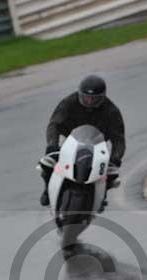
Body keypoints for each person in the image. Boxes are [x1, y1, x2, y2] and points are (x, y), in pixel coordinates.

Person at [39, 74, 126, 209]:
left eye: (94, 99)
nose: (90, 101)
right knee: (48, 162)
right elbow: (54, 124)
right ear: (80, 94)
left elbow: (119, 138)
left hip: (97, 145)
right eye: (86, 97)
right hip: (70, 139)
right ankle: (47, 189)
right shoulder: (68, 102)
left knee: (110, 173)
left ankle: (101, 196)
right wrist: (52, 145)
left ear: (102, 97)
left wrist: (116, 158)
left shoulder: (111, 110)